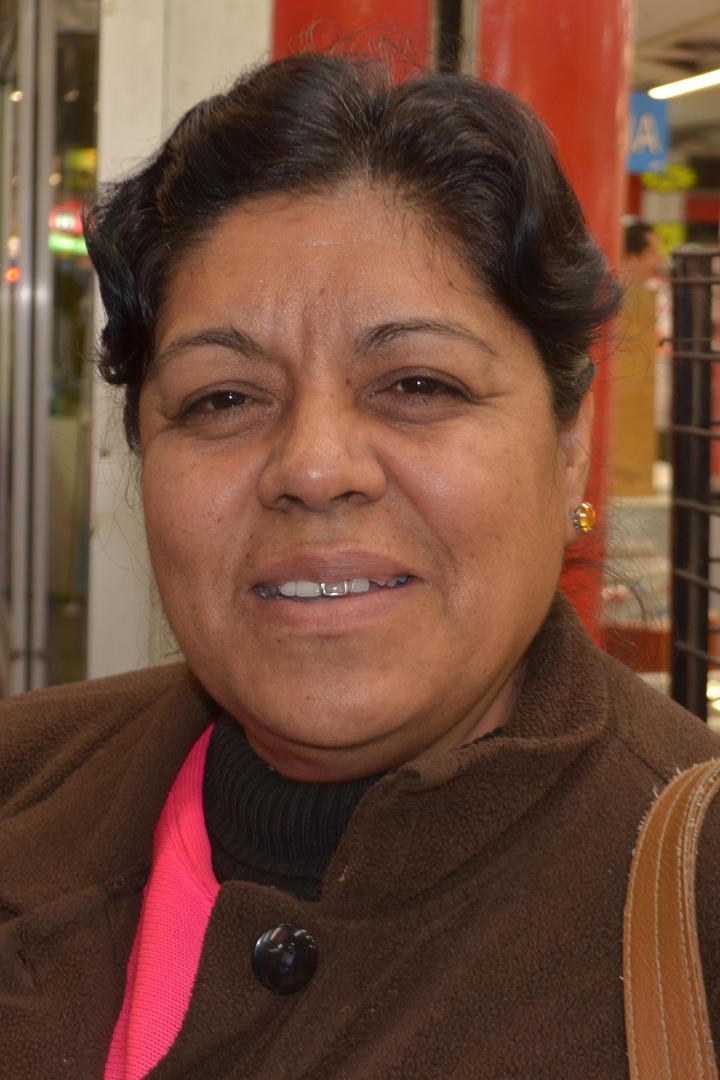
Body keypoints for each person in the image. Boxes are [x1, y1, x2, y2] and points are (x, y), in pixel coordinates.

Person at [1, 51, 719, 1080]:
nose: (314, 467)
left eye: (417, 384)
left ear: (570, 444)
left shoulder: (695, 902)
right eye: (223, 398)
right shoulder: (21, 783)